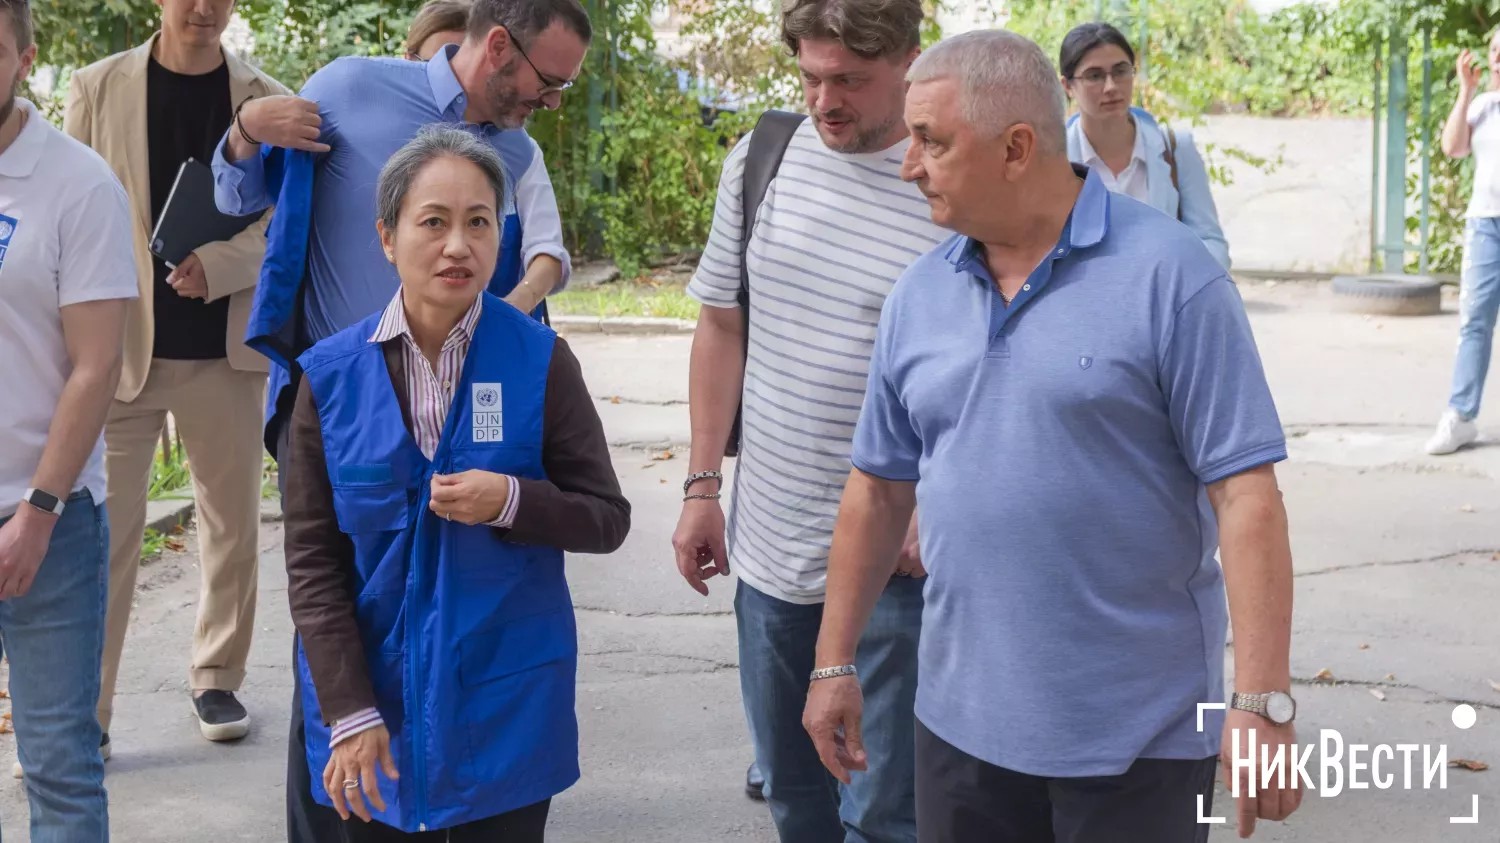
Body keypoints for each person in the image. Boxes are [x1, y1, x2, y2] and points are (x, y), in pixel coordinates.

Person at [803, 29, 1302, 843]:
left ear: (1017, 147)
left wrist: (1261, 701)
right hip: (959, 732)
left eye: (931, 140)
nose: (909, 163)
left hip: (1139, 741)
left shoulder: (1173, 278)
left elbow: (1247, 495)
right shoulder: (919, 295)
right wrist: (834, 662)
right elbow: (878, 488)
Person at [210, 0, 591, 837]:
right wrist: (242, 131)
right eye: (548, 80)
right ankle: (350, 769)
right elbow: (241, 194)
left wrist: (513, 336)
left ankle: (462, 791)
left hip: (463, 413)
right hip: (340, 408)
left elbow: (528, 268)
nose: (552, 101)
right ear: (499, 47)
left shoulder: (515, 151)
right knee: (338, 604)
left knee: (461, 616)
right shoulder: (348, 91)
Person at [282, 125, 629, 841]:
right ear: (387, 236)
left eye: (478, 223)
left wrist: (510, 499)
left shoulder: (539, 359)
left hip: (505, 702)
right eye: (433, 222)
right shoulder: (328, 376)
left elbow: (606, 517)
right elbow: (313, 560)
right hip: (369, 701)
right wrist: (348, 709)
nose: (457, 245)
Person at [670, 0, 946, 838]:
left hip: (895, 565)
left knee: (883, 811)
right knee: (793, 793)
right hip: (770, 549)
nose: (826, 100)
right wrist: (702, 483)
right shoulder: (764, 157)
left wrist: (938, 499)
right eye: (811, 77)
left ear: (908, 60)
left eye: (851, 81)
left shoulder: (949, 182)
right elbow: (723, 324)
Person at [62, 0, 290, 755]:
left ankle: (217, 672)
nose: (204, 8)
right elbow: (69, 210)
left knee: (231, 524)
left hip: (223, 349)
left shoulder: (265, 98)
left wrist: (219, 267)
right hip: (117, 354)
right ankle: (83, 711)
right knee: (102, 536)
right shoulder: (96, 88)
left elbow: (281, 220)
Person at [0, 0, 137, 834]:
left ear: (24, 57)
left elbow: (97, 364)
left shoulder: (77, 182)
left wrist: (38, 513)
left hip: (45, 521)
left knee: (59, 769)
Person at [1060, 22, 1230, 270]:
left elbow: (1211, 242)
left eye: (1120, 71)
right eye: (1094, 76)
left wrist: (1172, 285)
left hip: (1163, 302)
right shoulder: (1053, 159)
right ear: (1068, 86)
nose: (1111, 87)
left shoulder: (1175, 148)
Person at [1427, 29, 1500, 455]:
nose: (1498, 58)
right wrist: (1465, 90)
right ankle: (1461, 415)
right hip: (1485, 226)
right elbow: (1453, 147)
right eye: (1494, 50)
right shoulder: (1482, 106)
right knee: (1475, 322)